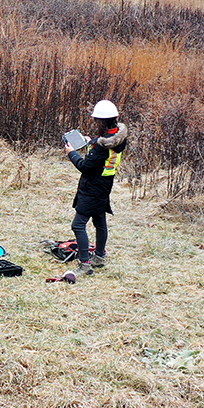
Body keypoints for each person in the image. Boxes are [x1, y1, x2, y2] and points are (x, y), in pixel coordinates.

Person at [63, 99, 128, 277]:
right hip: (104, 187)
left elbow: (85, 166)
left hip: (92, 190)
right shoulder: (118, 139)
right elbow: (105, 145)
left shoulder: (101, 147)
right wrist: (90, 141)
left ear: (101, 121)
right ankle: (99, 257)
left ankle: (85, 265)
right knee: (99, 222)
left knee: (78, 225)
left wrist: (72, 153)